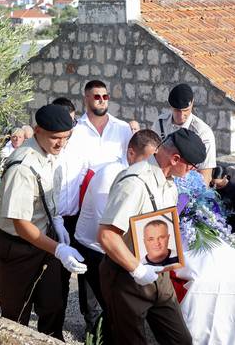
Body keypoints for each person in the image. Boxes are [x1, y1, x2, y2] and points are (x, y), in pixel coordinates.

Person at [98, 128, 207, 345]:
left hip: (159, 275)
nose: (192, 172)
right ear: (175, 159)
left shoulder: (170, 183)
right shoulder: (135, 182)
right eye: (191, 166)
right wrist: (137, 270)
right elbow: (107, 235)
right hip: (127, 276)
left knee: (181, 341)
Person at [0, 104, 87, 341]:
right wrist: (59, 249)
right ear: (37, 130)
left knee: (53, 306)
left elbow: (45, 199)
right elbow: (21, 224)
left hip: (45, 240)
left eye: (65, 138)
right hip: (17, 247)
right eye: (55, 138)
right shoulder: (22, 166)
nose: (60, 144)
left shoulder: (50, 154)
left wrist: (58, 222)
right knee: (16, 318)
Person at [56, 80, 133, 333]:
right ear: (86, 99)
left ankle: (114, 320)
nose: (101, 100)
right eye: (96, 96)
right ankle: (93, 323)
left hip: (114, 205)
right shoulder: (75, 131)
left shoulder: (123, 129)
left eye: (105, 96)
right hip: (81, 207)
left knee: (113, 261)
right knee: (86, 265)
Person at [74, 129, 161, 343]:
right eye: (147, 159)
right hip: (93, 247)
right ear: (131, 153)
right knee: (98, 311)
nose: (151, 166)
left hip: (113, 247)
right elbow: (108, 227)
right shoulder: (110, 175)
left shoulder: (141, 176)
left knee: (115, 308)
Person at [152, 83, 217, 186]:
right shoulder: (160, 123)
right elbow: (152, 155)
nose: (181, 116)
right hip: (158, 182)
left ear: (192, 103)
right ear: (170, 106)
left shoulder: (203, 132)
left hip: (187, 189)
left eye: (185, 110)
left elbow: (205, 176)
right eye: (177, 110)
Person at [210, 166, 235, 244]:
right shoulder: (211, 189)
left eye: (218, 184)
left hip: (234, 233)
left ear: (225, 177)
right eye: (213, 183)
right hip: (215, 233)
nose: (215, 186)